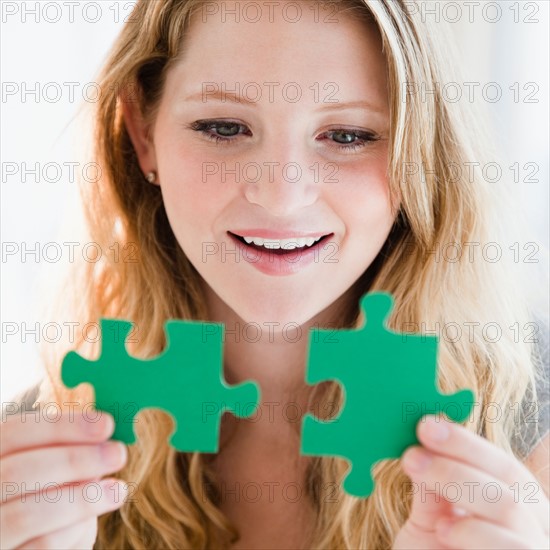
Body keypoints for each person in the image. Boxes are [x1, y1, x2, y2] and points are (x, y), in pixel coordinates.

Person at [1, 0, 549, 548]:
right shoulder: (32, 460)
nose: (282, 197)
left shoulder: (529, 434)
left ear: (420, 151)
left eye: (349, 135)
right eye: (223, 127)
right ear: (144, 135)